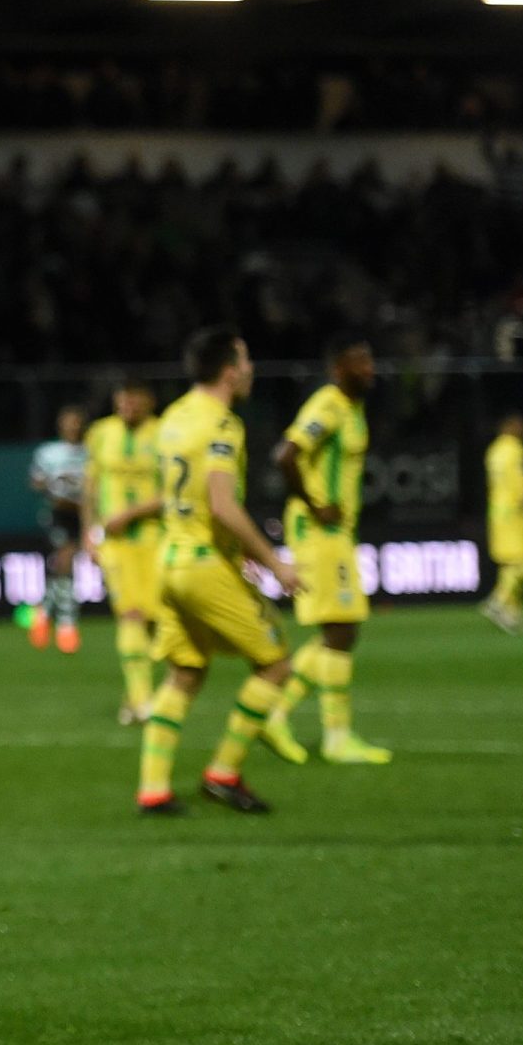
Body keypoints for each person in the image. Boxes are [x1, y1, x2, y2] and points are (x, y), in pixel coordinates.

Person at [136, 327, 303, 816]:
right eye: (247, 361)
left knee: (185, 672)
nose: (251, 370)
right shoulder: (223, 425)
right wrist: (276, 563)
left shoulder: (171, 419)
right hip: (203, 564)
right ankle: (223, 773)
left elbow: (180, 499)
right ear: (230, 372)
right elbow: (222, 505)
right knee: (275, 664)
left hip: (168, 561)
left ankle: (153, 790)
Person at [260, 336, 391, 765]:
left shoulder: (353, 409)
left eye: (370, 361)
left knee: (340, 631)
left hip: (336, 534)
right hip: (318, 532)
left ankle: (275, 714)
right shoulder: (328, 405)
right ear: (338, 370)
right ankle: (336, 737)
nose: (369, 369)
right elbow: (285, 455)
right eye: (360, 363)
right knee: (341, 630)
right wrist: (315, 504)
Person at [82, 380, 164, 724]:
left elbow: (173, 491)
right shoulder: (100, 433)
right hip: (117, 545)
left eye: (134, 399)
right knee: (130, 614)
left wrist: (131, 513)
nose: (127, 405)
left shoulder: (164, 434)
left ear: (149, 400)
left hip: (156, 538)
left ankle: (132, 699)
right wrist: (88, 530)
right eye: (122, 399)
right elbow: (90, 487)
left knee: (157, 624)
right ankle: (144, 702)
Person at [29, 404, 89, 652]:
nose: (73, 426)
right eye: (68, 421)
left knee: (65, 569)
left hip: (83, 514)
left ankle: (43, 612)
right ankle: (66, 626)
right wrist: (52, 485)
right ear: (60, 424)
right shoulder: (48, 452)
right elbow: (36, 482)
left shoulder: (91, 452)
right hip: (58, 514)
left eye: (76, 421)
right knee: (65, 563)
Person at [480, 413, 523, 634]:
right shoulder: (517, 451)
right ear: (512, 427)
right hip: (515, 513)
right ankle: (497, 601)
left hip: (497, 512)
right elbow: (521, 486)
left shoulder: (494, 450)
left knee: (510, 564)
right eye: (521, 426)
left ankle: (511, 615)